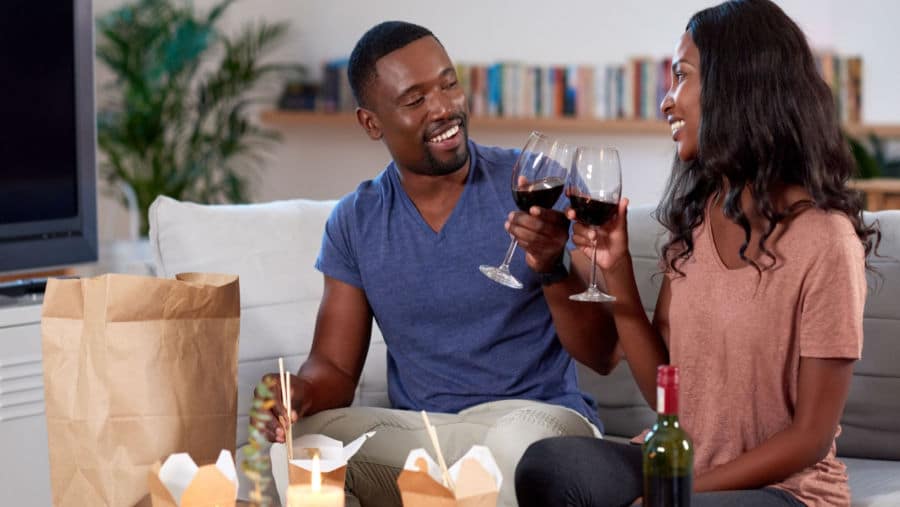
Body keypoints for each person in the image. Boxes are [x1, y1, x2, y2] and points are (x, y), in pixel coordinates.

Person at [515, 1, 880, 506]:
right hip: (681, 464)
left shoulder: (825, 240)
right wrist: (615, 270)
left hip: (785, 491)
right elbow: (670, 398)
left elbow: (809, 438)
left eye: (682, 77)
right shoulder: (700, 219)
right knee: (549, 465)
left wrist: (673, 494)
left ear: (737, 88)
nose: (668, 102)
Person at [251, 21, 619, 507]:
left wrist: (551, 266)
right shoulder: (356, 221)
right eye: (415, 99)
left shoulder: (533, 183)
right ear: (371, 123)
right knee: (303, 450)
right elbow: (335, 368)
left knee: (513, 452)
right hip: (425, 432)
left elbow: (601, 353)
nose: (444, 108)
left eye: (449, 84)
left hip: (535, 420)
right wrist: (297, 394)